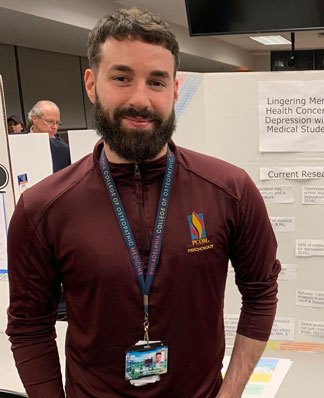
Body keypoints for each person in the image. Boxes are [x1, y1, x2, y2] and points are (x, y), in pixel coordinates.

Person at [6, 7, 280, 398]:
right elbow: (29, 325)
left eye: (156, 82)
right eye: (121, 78)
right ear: (91, 83)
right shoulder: (43, 208)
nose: (140, 99)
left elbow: (261, 291)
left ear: (173, 91)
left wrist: (231, 393)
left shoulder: (229, 190)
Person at [27, 100, 71, 172]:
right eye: (50, 122)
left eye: (57, 123)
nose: (55, 127)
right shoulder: (16, 146)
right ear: (34, 119)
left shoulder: (64, 149)